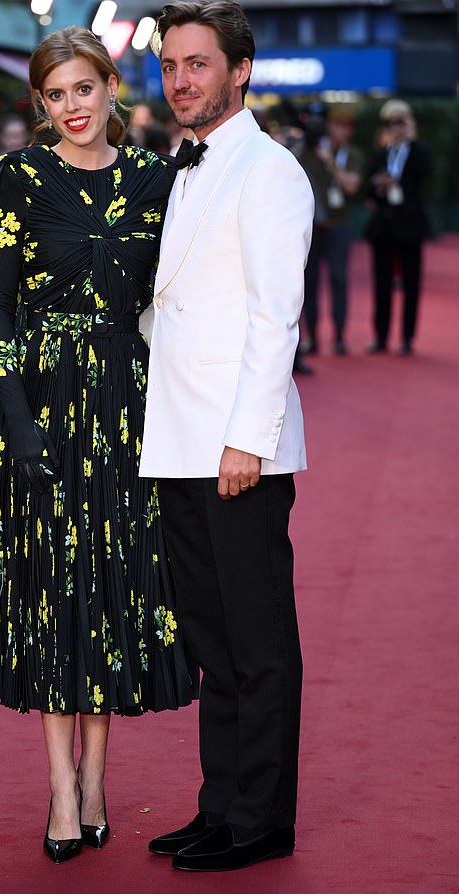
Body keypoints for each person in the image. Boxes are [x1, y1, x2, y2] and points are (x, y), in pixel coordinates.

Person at [0, 26, 195, 865]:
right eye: (55, 95)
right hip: (39, 407)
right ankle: (59, 787)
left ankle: (96, 781)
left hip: (127, 408)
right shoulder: (15, 178)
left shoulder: (158, 182)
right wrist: (14, 417)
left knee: (108, 593)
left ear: (111, 86)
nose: (72, 107)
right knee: (51, 592)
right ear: (40, 105)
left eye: (84, 88)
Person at [139, 0, 313, 873]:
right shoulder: (184, 168)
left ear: (239, 71)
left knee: (257, 640)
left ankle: (262, 820)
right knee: (211, 640)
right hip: (174, 441)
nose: (180, 81)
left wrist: (248, 440)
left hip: (233, 449)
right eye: (171, 65)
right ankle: (220, 807)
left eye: (197, 64)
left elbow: (274, 320)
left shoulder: (270, 172)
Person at [365, 99, 431, 355]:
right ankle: (381, 337)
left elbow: (426, 174)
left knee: (411, 283)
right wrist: (379, 184)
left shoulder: (419, 151)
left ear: (409, 122)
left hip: (411, 226)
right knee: (381, 284)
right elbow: (368, 190)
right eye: (390, 122)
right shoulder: (380, 153)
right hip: (383, 227)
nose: (395, 127)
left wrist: (408, 142)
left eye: (400, 121)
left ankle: (407, 338)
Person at [299, 106, 363, 356]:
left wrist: (331, 163)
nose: (340, 130)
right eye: (336, 125)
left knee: (339, 278)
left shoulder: (351, 155)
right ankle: (312, 337)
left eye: (346, 126)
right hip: (313, 227)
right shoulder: (308, 151)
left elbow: (352, 187)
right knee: (310, 282)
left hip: (339, 226)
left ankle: (338, 336)